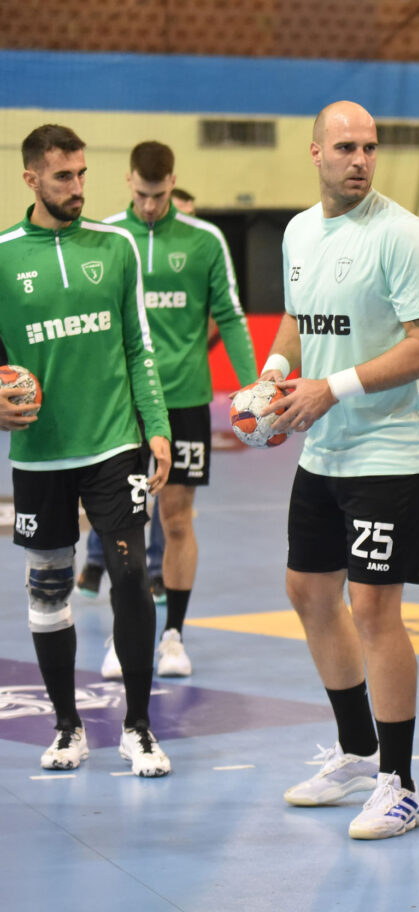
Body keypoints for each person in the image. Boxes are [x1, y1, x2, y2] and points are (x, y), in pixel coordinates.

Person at [263, 101, 419, 840]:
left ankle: (400, 784)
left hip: (392, 450)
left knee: (373, 609)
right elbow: (298, 318)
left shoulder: (402, 235)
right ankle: (355, 748)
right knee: (309, 592)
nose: (360, 160)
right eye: (345, 147)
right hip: (325, 447)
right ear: (315, 152)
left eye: (370, 147)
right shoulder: (298, 231)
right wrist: (274, 377)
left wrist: (332, 388)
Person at [0, 124, 173, 776]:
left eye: (81, 174)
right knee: (49, 589)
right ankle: (67, 726)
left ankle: (138, 728)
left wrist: (156, 425)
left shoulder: (116, 246)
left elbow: (138, 347)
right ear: (30, 179)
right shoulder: (3, 257)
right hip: (40, 454)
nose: (76, 187)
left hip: (114, 445)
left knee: (130, 576)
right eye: (62, 176)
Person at [81, 141, 258, 682]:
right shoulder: (107, 237)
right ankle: (124, 634)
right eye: (142, 194)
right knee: (122, 523)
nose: (150, 205)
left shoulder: (205, 240)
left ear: (171, 184)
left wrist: (255, 387)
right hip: (122, 404)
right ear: (128, 183)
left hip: (185, 402)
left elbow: (230, 314)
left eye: (158, 195)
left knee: (176, 519)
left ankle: (173, 635)